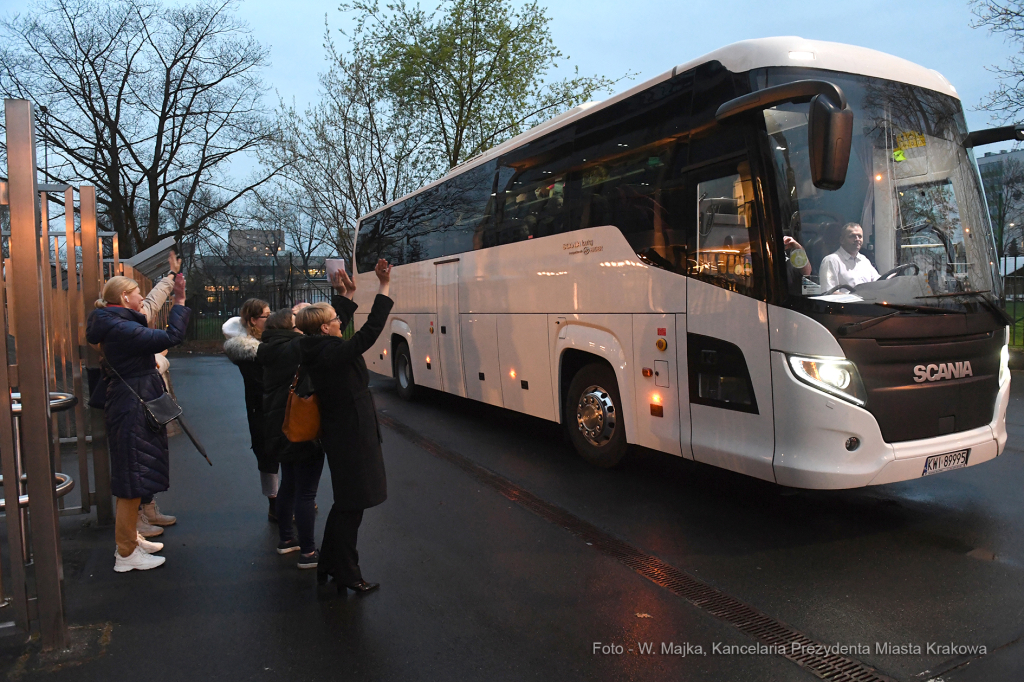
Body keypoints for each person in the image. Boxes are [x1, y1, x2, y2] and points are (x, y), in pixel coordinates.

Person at [298, 260, 393, 593]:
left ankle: (329, 564)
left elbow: (339, 325)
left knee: (347, 503)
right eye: (336, 320)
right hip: (351, 436)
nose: (341, 321)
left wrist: (347, 294)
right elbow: (368, 334)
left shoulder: (320, 347)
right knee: (352, 505)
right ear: (325, 328)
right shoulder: (330, 352)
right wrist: (383, 286)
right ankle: (348, 572)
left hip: (346, 433)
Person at [86, 274, 189, 572]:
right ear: (123, 297)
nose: (142, 296)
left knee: (134, 473)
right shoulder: (121, 327)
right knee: (132, 479)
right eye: (137, 292)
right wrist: (180, 301)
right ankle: (126, 552)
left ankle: (130, 539)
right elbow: (172, 337)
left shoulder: (115, 323)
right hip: (133, 406)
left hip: (130, 403)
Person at [257, 308, 337, 568]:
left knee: (288, 485)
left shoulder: (269, 348)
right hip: (301, 426)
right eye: (297, 323)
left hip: (277, 426)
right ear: (289, 329)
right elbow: (322, 335)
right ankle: (308, 552)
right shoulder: (295, 347)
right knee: (306, 493)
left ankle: (286, 539)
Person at [223, 298, 278, 520]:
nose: (271, 318)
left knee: (291, 452)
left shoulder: (270, 339)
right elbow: (261, 383)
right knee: (267, 455)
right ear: (254, 320)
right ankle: (274, 503)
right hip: (261, 408)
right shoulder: (247, 350)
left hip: (273, 406)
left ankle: (298, 497)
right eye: (266, 315)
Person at [819, 222, 880, 291]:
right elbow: (829, 292)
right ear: (842, 240)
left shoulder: (864, 260)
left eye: (860, 236)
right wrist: (857, 296)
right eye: (852, 236)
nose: (857, 239)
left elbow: (878, 282)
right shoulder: (831, 261)